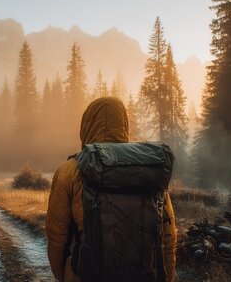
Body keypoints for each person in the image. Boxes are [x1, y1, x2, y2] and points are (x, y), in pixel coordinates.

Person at [46, 97, 177, 282]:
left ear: (87, 125)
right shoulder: (149, 169)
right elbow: (168, 239)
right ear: (124, 124)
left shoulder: (70, 170)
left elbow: (57, 238)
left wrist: (63, 276)